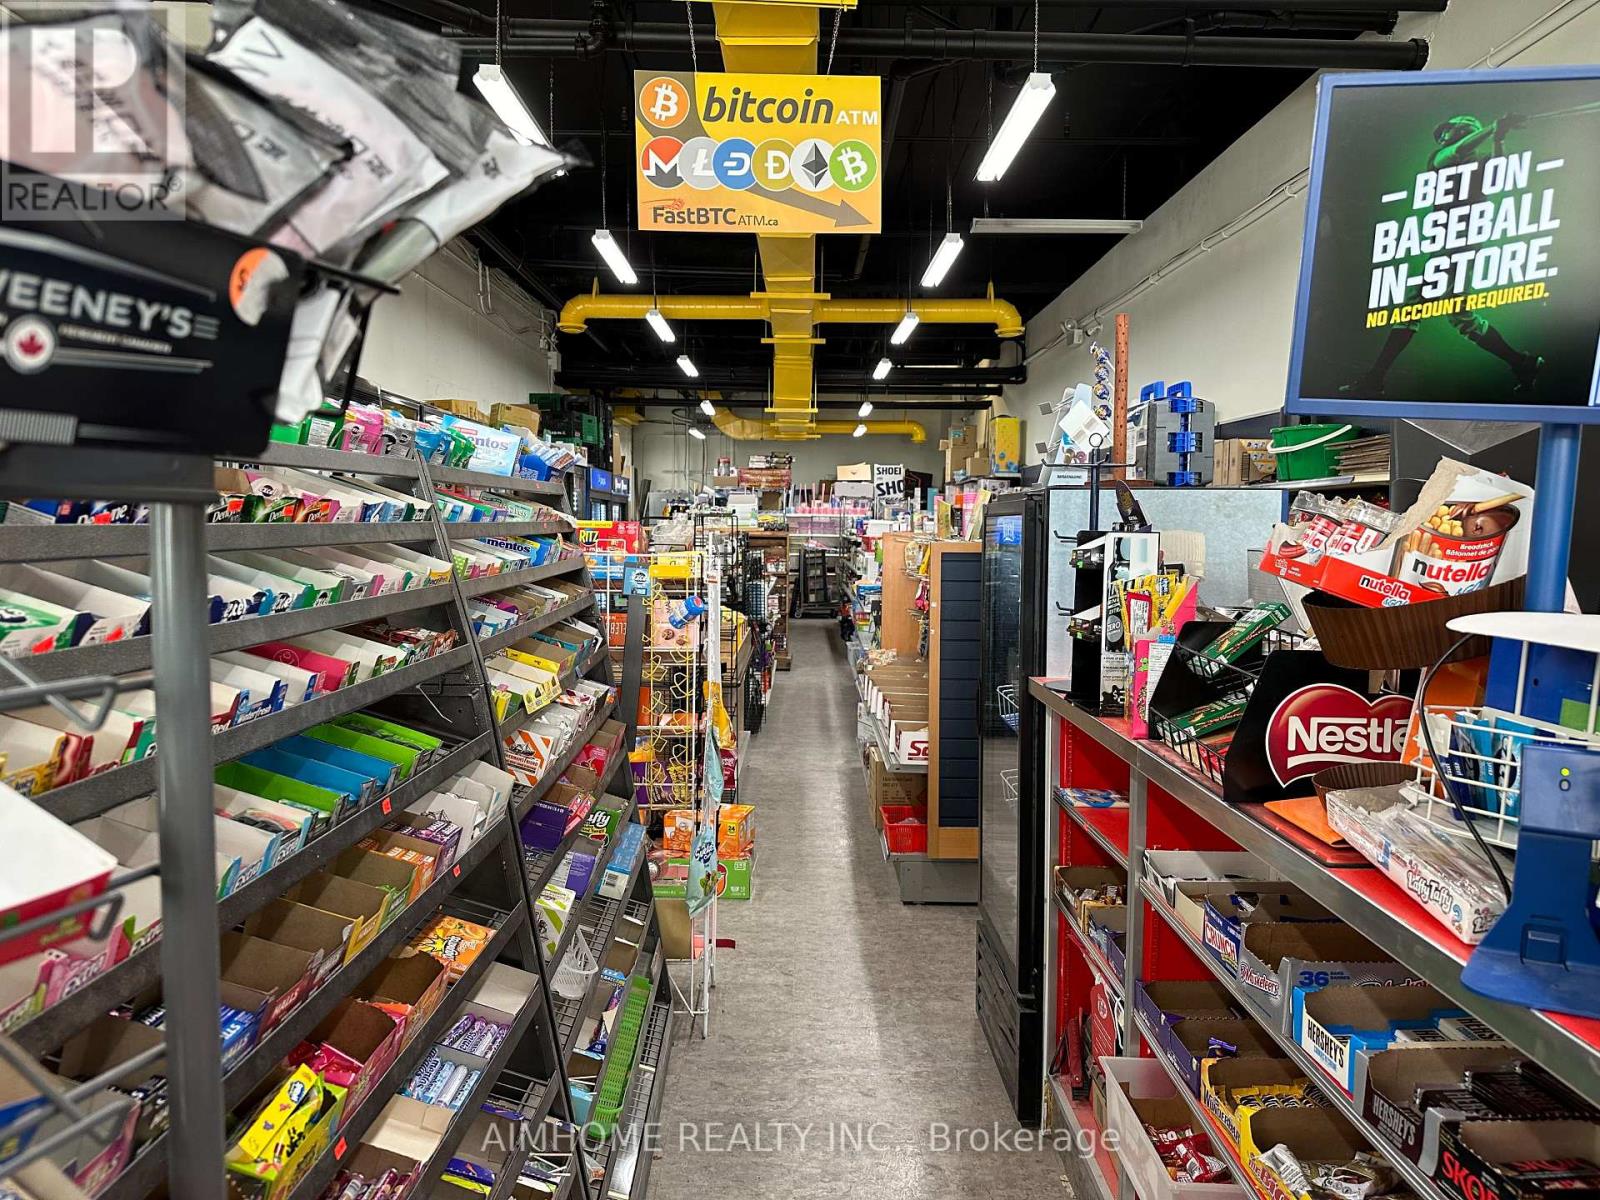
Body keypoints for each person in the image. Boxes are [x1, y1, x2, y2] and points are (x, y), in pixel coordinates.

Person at [1342, 112, 1543, 397]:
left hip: (1462, 242)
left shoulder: (1480, 160)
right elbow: (1457, 151)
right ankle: (1522, 362)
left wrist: (1499, 136)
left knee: (1412, 307)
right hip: (1455, 242)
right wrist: (1494, 128)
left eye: (1450, 130)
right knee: (1461, 316)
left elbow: (1500, 174)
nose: (1445, 136)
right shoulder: (1440, 158)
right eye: (1446, 133)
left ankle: (1374, 379)